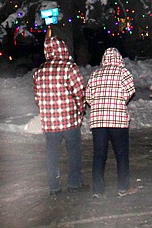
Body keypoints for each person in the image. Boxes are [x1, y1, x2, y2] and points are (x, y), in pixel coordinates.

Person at [33, 36, 86, 195]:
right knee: (74, 153)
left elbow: (37, 98)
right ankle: (74, 184)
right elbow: (80, 92)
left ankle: (54, 187)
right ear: (63, 49)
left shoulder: (39, 72)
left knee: (52, 155)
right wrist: (80, 109)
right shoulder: (69, 68)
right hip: (70, 121)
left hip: (50, 124)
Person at [85, 47, 137, 197]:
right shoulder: (123, 73)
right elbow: (130, 91)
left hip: (98, 121)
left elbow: (88, 96)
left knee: (99, 155)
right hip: (117, 121)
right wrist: (118, 101)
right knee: (121, 154)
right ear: (118, 58)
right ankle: (123, 187)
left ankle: (98, 190)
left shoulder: (95, 74)